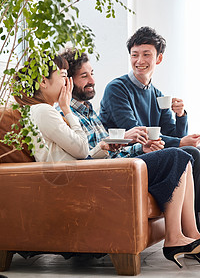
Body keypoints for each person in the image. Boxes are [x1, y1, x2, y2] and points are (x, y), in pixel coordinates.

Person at [57, 48, 200, 267]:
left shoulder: (88, 110)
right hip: (111, 172)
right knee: (179, 155)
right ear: (67, 82)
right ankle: (174, 238)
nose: (93, 80)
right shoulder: (67, 114)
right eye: (84, 76)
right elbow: (89, 153)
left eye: (92, 73)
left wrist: (144, 148)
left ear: (158, 58)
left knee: (185, 156)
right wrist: (133, 141)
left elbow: (117, 147)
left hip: (123, 161)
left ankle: (191, 234)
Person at [99, 26, 200, 230]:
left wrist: (180, 115)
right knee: (190, 152)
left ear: (159, 58)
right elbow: (135, 132)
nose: (140, 61)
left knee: (193, 152)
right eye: (135, 55)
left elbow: (172, 135)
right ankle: (192, 232)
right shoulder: (116, 89)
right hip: (126, 157)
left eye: (146, 54)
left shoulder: (157, 95)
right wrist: (181, 142)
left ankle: (194, 229)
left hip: (150, 155)